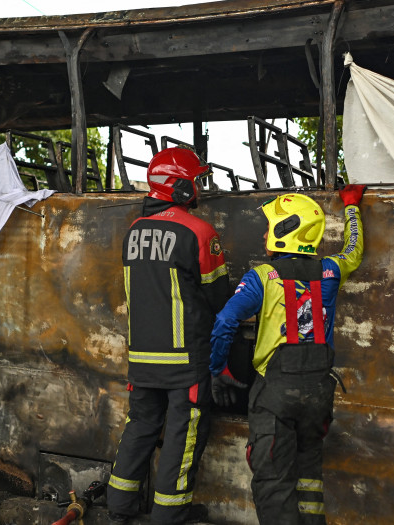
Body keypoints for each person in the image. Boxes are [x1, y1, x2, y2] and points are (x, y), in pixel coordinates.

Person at [209, 186, 365, 524]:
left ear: (286, 231)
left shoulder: (263, 277)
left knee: (273, 484)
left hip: (275, 396)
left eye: (271, 226)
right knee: (309, 478)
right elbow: (353, 251)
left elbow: (225, 320)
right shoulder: (331, 270)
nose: (265, 233)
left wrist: (217, 367)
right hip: (319, 394)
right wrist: (352, 207)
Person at [107, 147, 231, 525]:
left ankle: (118, 506)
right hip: (185, 362)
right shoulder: (198, 231)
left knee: (140, 426)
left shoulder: (132, 232)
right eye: (194, 180)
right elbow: (220, 298)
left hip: (142, 359)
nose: (197, 187)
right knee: (183, 435)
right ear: (177, 186)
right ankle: (169, 515)